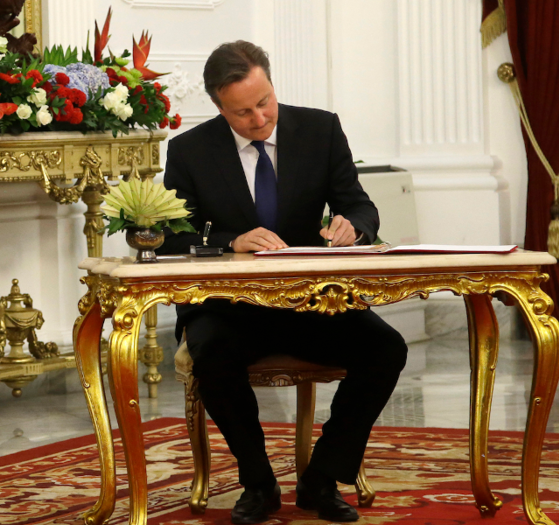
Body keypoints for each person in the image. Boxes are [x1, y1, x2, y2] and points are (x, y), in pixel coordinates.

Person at [158, 40, 408, 524]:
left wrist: (351, 226)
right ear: (217, 106)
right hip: (228, 308)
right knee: (212, 355)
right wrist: (232, 241)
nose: (258, 118)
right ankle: (258, 482)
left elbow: (360, 205)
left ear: (272, 84)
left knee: (386, 348)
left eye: (264, 101)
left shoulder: (320, 129)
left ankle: (322, 477)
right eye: (242, 112)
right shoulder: (190, 150)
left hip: (309, 301)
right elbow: (171, 234)